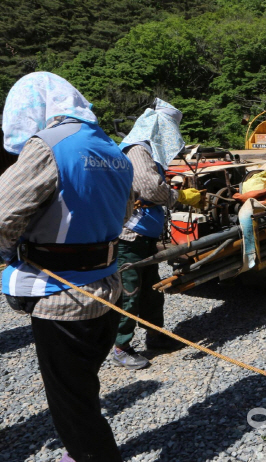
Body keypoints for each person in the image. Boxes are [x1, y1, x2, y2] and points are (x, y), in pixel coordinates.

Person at [0, 72, 134, 462]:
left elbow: (1, 218)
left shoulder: (49, 145)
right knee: (83, 383)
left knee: (71, 403)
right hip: (107, 285)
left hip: (61, 295)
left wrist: (11, 254)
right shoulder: (112, 148)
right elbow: (123, 215)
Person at [111, 98, 202, 370]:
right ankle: (120, 345)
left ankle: (156, 336)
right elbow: (150, 189)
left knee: (151, 291)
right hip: (129, 235)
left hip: (144, 236)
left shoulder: (147, 150)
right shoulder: (137, 150)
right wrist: (179, 195)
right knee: (129, 291)